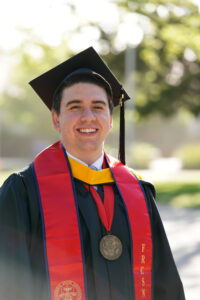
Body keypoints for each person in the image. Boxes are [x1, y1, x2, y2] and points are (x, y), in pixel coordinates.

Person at [0, 47, 185, 300]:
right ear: (56, 119)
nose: (88, 117)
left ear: (110, 119)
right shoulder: (22, 193)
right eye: (75, 107)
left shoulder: (138, 193)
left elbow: (165, 285)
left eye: (98, 107)